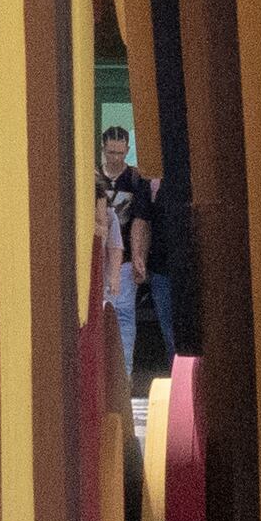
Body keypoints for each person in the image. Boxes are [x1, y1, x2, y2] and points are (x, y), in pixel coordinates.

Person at [93, 125, 166, 379]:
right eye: (111, 152)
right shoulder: (94, 177)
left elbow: (141, 221)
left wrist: (138, 258)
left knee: (124, 316)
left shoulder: (136, 179)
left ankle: (124, 377)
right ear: (103, 149)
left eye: (120, 153)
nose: (115, 158)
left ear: (127, 150)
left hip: (123, 260)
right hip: (95, 260)